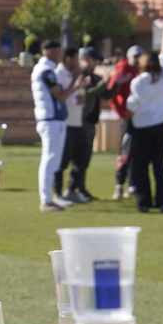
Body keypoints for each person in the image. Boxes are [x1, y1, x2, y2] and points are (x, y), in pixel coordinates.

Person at [60, 45, 124, 203]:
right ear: (85, 60)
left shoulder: (94, 77)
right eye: (94, 60)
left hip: (90, 121)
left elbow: (106, 95)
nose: (96, 63)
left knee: (85, 157)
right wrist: (103, 84)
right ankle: (73, 188)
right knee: (79, 157)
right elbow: (86, 95)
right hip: (81, 121)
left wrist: (116, 83)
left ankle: (80, 188)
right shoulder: (79, 76)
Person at [126, 28, 163, 213]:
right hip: (161, 124)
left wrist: (127, 113)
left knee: (141, 165)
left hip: (142, 126)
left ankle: (144, 201)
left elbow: (133, 105)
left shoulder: (138, 82)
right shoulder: (162, 77)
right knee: (158, 164)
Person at [30, 40, 81, 212]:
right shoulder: (47, 71)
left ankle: (48, 199)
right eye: (59, 52)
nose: (61, 56)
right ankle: (45, 200)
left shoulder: (45, 70)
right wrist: (75, 84)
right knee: (50, 161)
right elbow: (61, 96)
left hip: (51, 119)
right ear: (51, 53)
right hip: (51, 120)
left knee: (52, 161)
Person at [53, 47, 91, 206]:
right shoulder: (57, 74)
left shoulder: (74, 74)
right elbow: (60, 99)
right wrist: (75, 92)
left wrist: (81, 91)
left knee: (83, 157)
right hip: (65, 123)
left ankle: (72, 189)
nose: (78, 63)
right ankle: (57, 193)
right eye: (76, 59)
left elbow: (76, 94)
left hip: (77, 121)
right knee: (62, 160)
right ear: (68, 59)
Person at [109, 44, 143, 199]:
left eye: (139, 57)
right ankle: (119, 185)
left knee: (137, 153)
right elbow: (112, 96)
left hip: (140, 119)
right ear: (128, 57)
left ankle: (133, 185)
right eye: (135, 57)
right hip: (126, 119)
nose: (137, 60)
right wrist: (121, 114)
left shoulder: (141, 72)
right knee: (126, 152)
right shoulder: (122, 71)